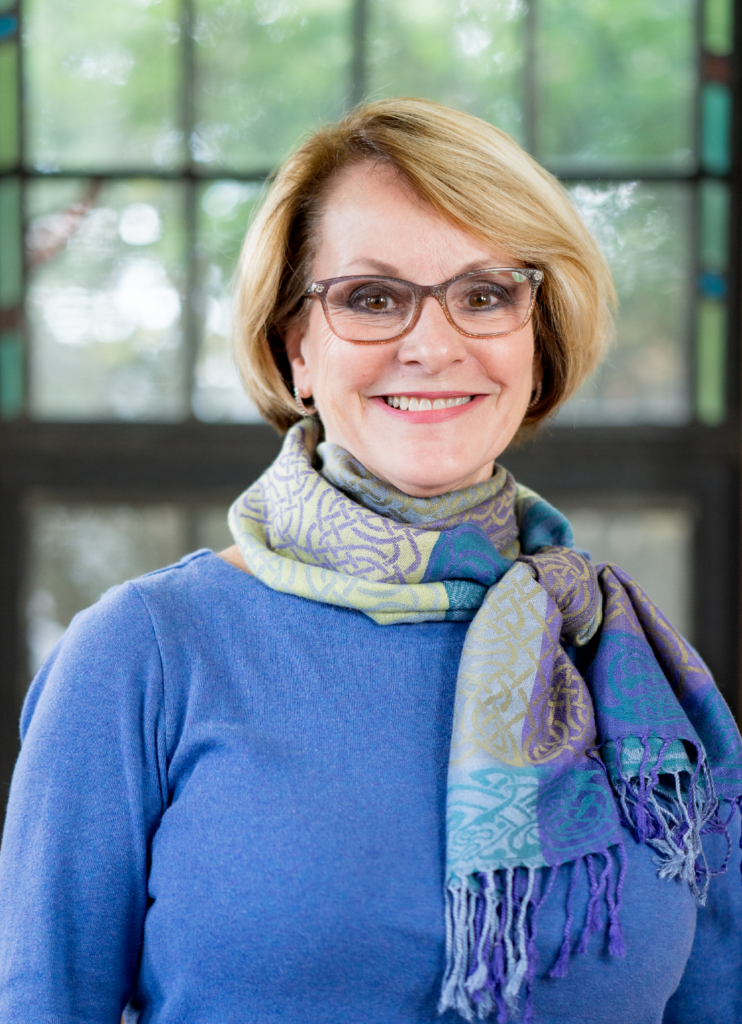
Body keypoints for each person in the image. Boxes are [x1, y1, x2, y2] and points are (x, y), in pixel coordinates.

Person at [0, 98, 740, 1024]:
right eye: (371, 298)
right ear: (295, 347)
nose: (433, 345)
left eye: (485, 294)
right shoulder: (143, 652)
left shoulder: (628, 666)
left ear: (537, 341)